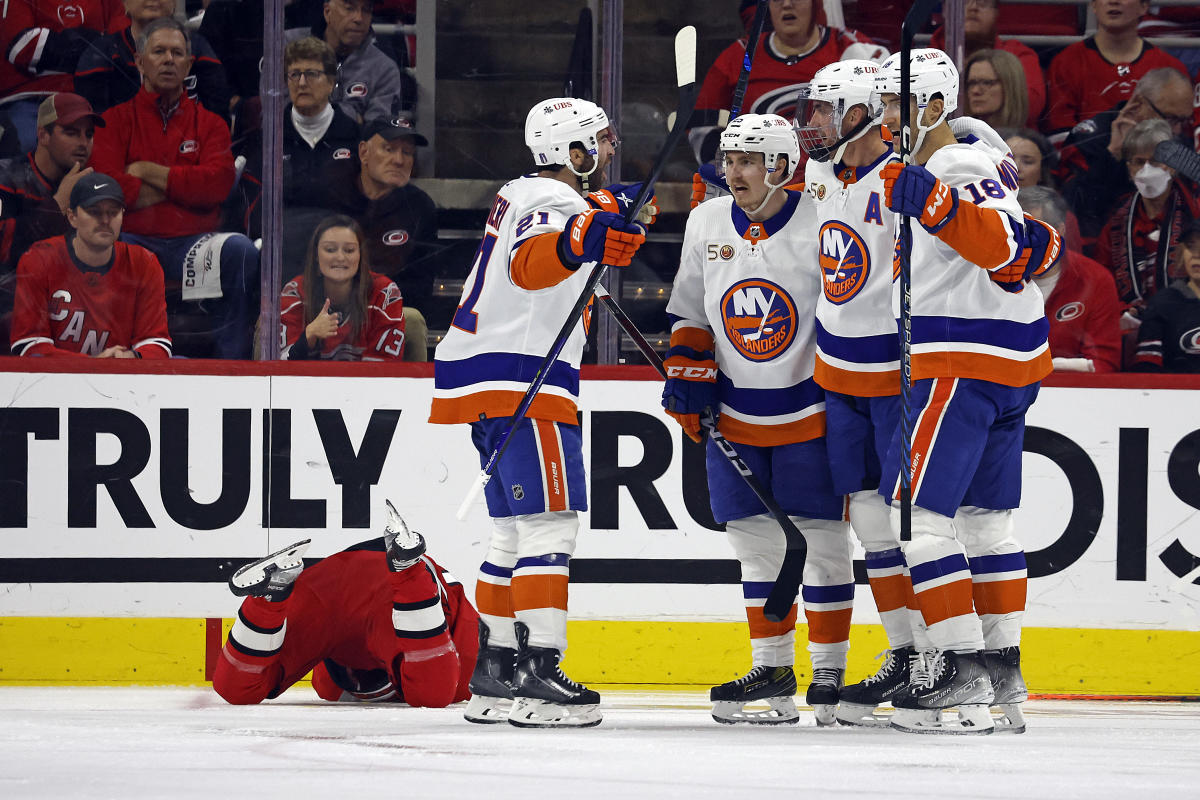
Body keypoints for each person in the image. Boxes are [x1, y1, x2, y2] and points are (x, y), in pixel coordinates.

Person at [429, 96, 646, 728]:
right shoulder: (554, 202)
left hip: (485, 380)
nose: (609, 148)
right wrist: (585, 234)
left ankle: (496, 669)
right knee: (550, 526)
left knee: (511, 532)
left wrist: (602, 216)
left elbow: (567, 238)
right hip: (526, 380)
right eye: (599, 140)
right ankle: (541, 670)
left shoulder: (522, 191)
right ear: (571, 152)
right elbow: (531, 264)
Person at [874, 48, 1062, 734]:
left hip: (963, 358)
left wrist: (936, 203)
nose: (884, 116)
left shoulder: (954, 164)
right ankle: (1003, 678)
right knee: (987, 524)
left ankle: (959, 671)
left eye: (896, 103)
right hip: (1005, 362)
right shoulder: (969, 157)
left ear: (931, 105)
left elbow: (1009, 248)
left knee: (915, 520)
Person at [666, 113, 850, 727]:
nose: (733, 172)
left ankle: (829, 674)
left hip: (809, 409)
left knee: (824, 546)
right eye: (729, 160)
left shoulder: (820, 220)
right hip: (733, 412)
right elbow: (691, 312)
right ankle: (772, 669)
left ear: (782, 165)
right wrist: (688, 371)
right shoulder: (705, 220)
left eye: (747, 160)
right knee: (754, 547)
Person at [794, 62, 919, 727]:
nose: (812, 123)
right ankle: (905, 651)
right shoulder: (819, 175)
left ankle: (938, 654)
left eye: (824, 110)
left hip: (897, 373)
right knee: (870, 523)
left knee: (916, 524)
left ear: (859, 114)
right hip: (838, 373)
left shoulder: (903, 178)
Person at [89, 17, 260, 359]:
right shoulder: (113, 121)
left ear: (189, 64)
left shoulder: (211, 124)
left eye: (177, 53)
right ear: (140, 61)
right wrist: (185, 186)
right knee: (102, 246)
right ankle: (116, 359)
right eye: (159, 52)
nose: (168, 59)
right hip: (134, 242)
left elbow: (216, 186)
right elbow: (110, 192)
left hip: (195, 245)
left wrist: (144, 171)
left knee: (240, 250)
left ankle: (234, 368)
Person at [213, 501, 479, 708]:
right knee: (434, 692)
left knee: (236, 690)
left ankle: (270, 597)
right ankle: (408, 572)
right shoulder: (330, 685)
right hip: (381, 590)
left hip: (329, 581)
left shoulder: (328, 686)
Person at [691, 0, 881, 164]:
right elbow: (702, 128)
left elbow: (881, 120)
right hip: (762, 180)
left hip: (836, 175)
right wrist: (733, 165)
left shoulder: (855, 51)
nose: (787, 4)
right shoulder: (738, 56)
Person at [229, 36, 361, 268]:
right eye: (294, 74)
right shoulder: (269, 137)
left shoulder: (353, 136)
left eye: (311, 74)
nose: (301, 83)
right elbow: (252, 201)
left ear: (331, 82)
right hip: (283, 244)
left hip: (341, 246)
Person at [10, 172, 171, 358]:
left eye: (113, 212)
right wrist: (95, 365)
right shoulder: (39, 259)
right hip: (58, 377)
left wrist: (132, 358)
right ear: (72, 217)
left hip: (119, 375)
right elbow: (30, 347)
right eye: (94, 211)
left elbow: (156, 343)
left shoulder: (144, 263)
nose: (105, 220)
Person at [0, 93, 105, 342]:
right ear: (43, 135)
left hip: (65, 301)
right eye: (71, 133)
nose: (83, 143)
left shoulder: (92, 186)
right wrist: (58, 204)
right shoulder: (5, 177)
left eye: (88, 134)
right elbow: (4, 249)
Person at [1054, 67, 1194, 253]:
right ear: (1139, 104)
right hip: (1104, 246)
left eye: (1184, 120)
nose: (1177, 130)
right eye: (1171, 119)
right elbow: (1077, 207)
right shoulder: (1089, 139)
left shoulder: (1177, 139)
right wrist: (1112, 156)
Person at [330, 117, 436, 361]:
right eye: (389, 149)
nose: (399, 160)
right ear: (364, 153)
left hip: (387, 312)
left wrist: (373, 306)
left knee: (413, 321)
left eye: (407, 152)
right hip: (329, 307)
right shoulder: (333, 196)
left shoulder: (420, 207)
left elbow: (421, 287)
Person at [1094, 119, 1200, 340]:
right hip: (1133, 327)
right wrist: (1124, 309)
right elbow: (1102, 280)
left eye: (1155, 161)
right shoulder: (1116, 223)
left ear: (1172, 167)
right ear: (1129, 168)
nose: (1146, 170)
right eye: (1138, 162)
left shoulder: (1195, 211)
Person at [1045, 0, 1190, 137]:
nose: (1113, 1)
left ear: (1144, 6)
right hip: (1088, 154)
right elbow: (1060, 134)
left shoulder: (1170, 66)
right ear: (1093, 5)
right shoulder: (1066, 62)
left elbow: (1181, 132)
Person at [0, 0, 127, 154]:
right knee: (23, 150)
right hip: (30, 99)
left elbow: (122, 50)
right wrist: (87, 45)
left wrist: (61, 44)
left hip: (92, 102)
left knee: (111, 152)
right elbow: (20, 46)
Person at [1019, 186, 1122, 374]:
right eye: (1016, 230)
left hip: (1071, 389)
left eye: (1033, 231)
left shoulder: (1095, 280)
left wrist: (1049, 368)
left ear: (1059, 231)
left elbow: (1104, 363)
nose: (1022, 241)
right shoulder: (987, 278)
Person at [74, 0, 232, 117]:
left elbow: (218, 115)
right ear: (124, 3)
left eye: (177, 53)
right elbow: (95, 126)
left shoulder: (197, 48)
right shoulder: (102, 54)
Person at [280, 215, 406, 361]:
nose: (340, 257)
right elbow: (280, 366)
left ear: (360, 255)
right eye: (330, 249)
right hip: (308, 377)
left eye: (349, 250)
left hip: (365, 377)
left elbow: (384, 367)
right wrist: (308, 336)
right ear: (316, 255)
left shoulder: (384, 293)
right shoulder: (294, 293)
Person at [285, 0, 413, 124]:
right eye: (349, 8)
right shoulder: (286, 44)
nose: (359, 18)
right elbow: (278, 112)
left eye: (366, 10)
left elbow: (379, 133)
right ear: (327, 11)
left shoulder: (384, 69)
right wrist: (353, 118)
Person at [928, 0, 1046, 129]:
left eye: (983, 2)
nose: (973, 8)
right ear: (945, 10)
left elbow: (1031, 106)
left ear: (996, 13)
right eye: (963, 2)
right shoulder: (922, 62)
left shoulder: (1019, 55)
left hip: (1010, 136)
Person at [1132, 222, 1200, 373]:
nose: (1196, 254)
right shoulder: (1162, 303)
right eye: (1191, 246)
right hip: (1178, 387)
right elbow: (1147, 370)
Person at [963, 49, 1028, 132]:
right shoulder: (956, 135)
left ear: (1009, 87)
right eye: (971, 83)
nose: (975, 91)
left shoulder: (1025, 140)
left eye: (987, 83)